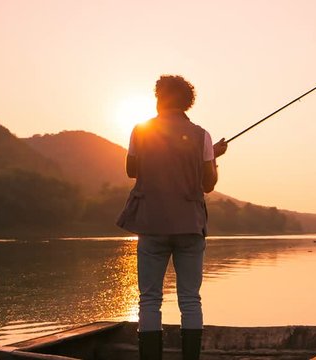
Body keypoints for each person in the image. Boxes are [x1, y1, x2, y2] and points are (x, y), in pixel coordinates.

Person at [117, 75, 227, 360]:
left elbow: (132, 169)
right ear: (186, 103)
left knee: (150, 300)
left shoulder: (140, 130)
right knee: (190, 300)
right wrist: (211, 157)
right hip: (189, 225)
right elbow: (207, 184)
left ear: (160, 98)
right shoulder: (202, 135)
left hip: (151, 224)